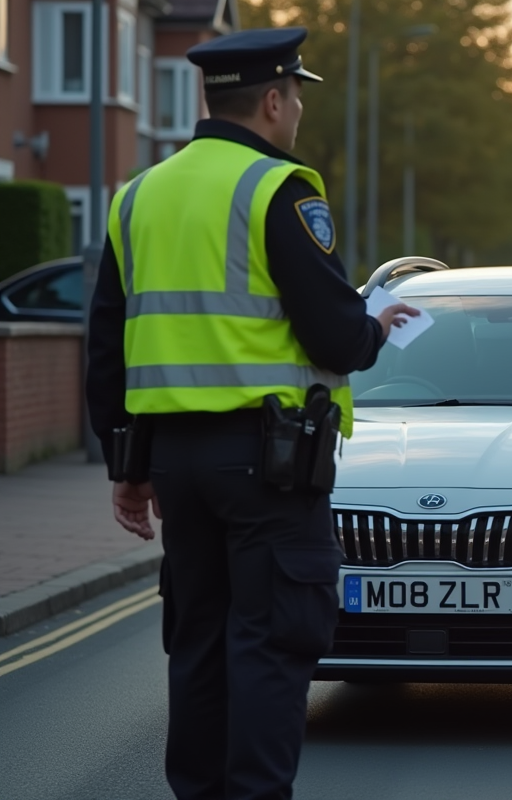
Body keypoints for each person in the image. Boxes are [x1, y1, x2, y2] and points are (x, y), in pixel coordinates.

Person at [86, 26, 417, 800]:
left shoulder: (137, 196)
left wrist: (128, 471)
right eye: (297, 95)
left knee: (197, 644)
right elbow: (332, 335)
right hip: (267, 467)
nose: (298, 110)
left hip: (176, 465)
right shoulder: (280, 190)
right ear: (272, 100)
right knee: (269, 645)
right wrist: (373, 327)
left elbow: (108, 349)